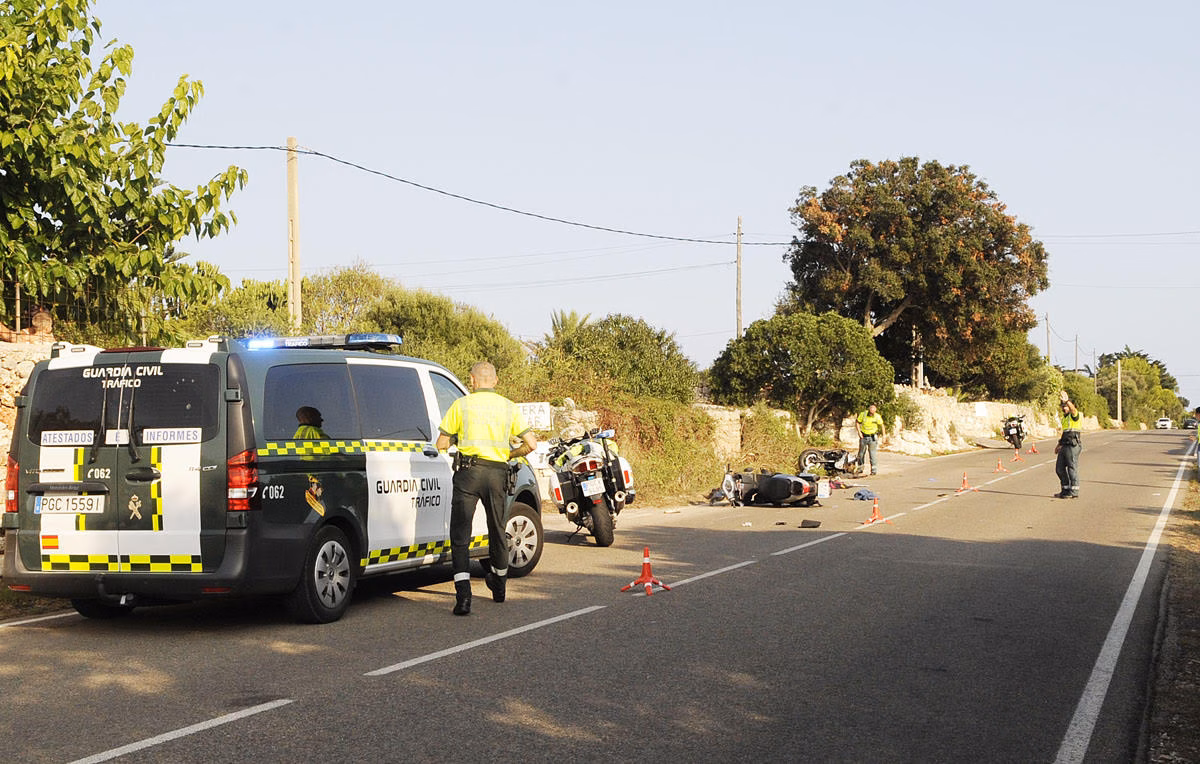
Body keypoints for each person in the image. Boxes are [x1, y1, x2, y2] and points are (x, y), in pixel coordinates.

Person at [435, 361, 537, 616]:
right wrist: (509, 453)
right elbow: (532, 444)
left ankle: (464, 598)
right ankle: (499, 586)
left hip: (468, 474)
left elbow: (441, 443)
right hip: (497, 473)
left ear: (472, 380)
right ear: (495, 381)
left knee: (460, 536)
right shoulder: (508, 406)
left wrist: (455, 441)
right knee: (497, 530)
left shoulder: (462, 404)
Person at [1054, 390, 1082, 499]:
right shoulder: (1064, 418)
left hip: (1073, 446)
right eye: (1063, 406)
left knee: (1071, 468)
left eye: (1065, 406)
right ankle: (1065, 490)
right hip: (1064, 445)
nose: (1064, 408)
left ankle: (1074, 491)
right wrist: (1058, 445)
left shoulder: (1075, 415)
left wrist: (1067, 401)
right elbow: (1064, 434)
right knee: (1059, 469)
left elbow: (1073, 409)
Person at [855, 403, 886, 476]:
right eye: (871, 410)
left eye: (873, 411)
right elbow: (857, 422)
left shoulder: (877, 416)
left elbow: (882, 425)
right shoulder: (863, 414)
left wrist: (884, 436)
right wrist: (859, 432)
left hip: (872, 437)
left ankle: (873, 470)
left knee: (872, 454)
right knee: (861, 453)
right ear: (869, 409)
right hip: (864, 436)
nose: (872, 412)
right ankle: (860, 468)